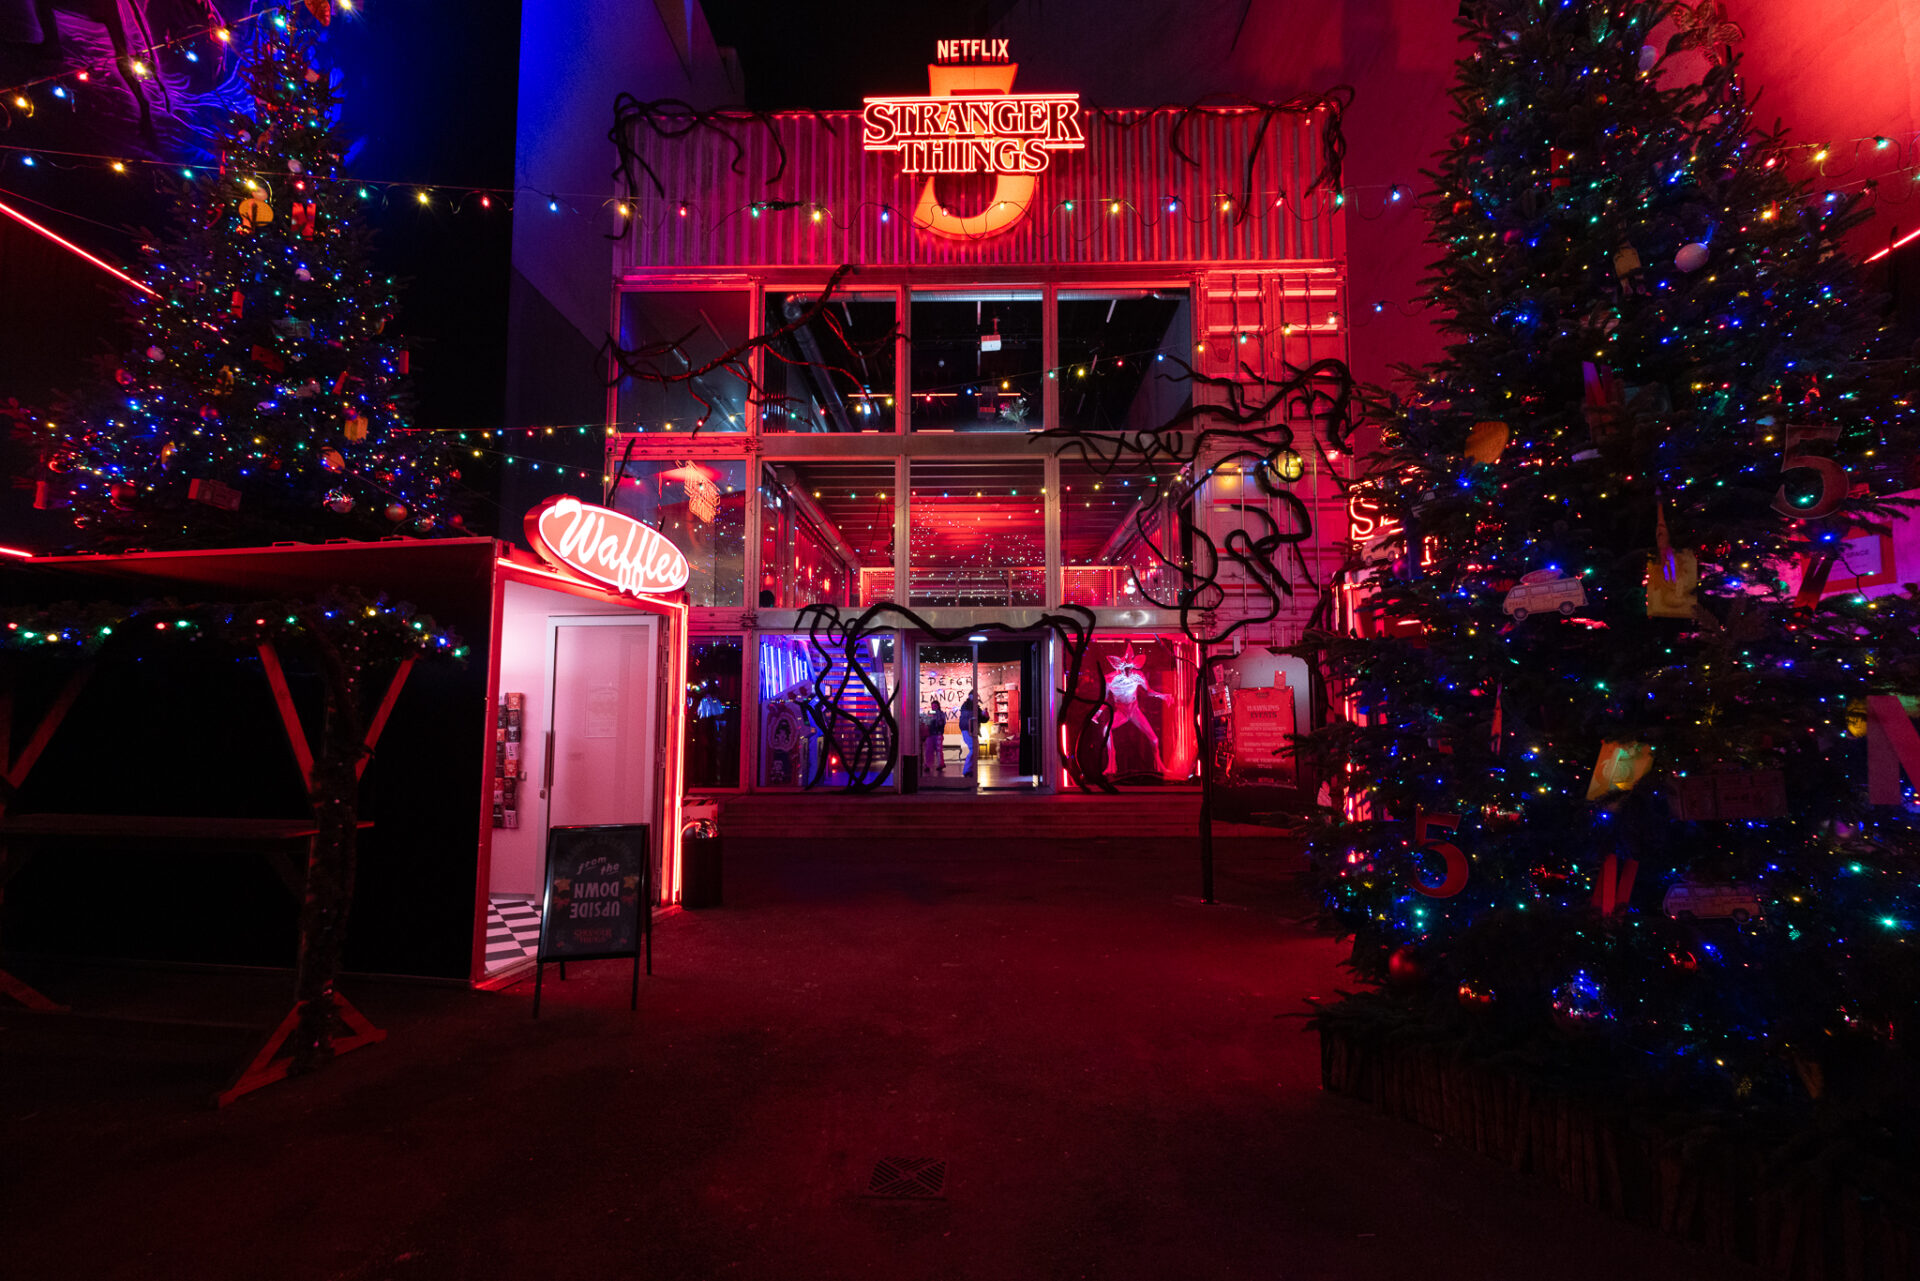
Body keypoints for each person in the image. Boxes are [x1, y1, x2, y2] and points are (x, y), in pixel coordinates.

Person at [958, 687, 981, 777]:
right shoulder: (967, 705)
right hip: (968, 729)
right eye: (975, 695)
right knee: (973, 749)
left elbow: (981, 718)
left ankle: (970, 770)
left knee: (974, 749)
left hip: (971, 729)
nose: (977, 697)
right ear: (971, 696)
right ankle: (967, 770)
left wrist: (984, 716)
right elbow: (970, 716)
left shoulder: (973, 706)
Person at [924, 698, 947, 774]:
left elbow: (942, 723)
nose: (933, 707)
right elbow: (927, 723)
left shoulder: (941, 713)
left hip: (937, 733)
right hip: (931, 734)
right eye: (932, 706)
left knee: (938, 750)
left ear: (938, 706)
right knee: (929, 750)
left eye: (935, 706)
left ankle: (940, 764)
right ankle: (928, 765)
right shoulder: (931, 713)